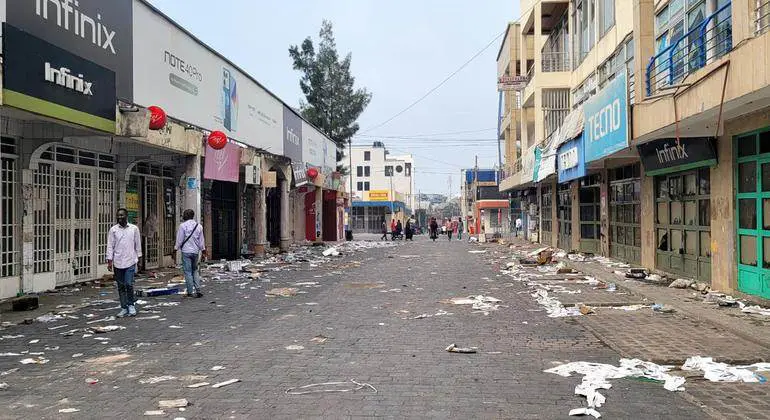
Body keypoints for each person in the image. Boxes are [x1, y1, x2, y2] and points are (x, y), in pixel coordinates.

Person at [106, 208, 143, 318]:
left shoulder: (133, 229)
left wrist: (139, 258)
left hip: (130, 260)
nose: (120, 217)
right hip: (118, 261)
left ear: (126, 216)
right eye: (118, 216)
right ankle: (123, 307)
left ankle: (131, 305)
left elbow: (137, 244)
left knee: (128, 284)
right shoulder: (113, 230)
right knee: (121, 286)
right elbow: (110, 245)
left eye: (122, 215)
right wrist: (109, 260)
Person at [174, 209, 207, 298]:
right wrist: (203, 251)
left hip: (186, 252)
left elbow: (179, 239)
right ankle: (198, 289)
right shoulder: (199, 226)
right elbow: (201, 241)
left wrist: (175, 249)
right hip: (195, 252)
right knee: (195, 270)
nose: (183, 215)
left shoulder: (182, 226)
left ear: (187, 215)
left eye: (184, 214)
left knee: (188, 272)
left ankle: (190, 291)